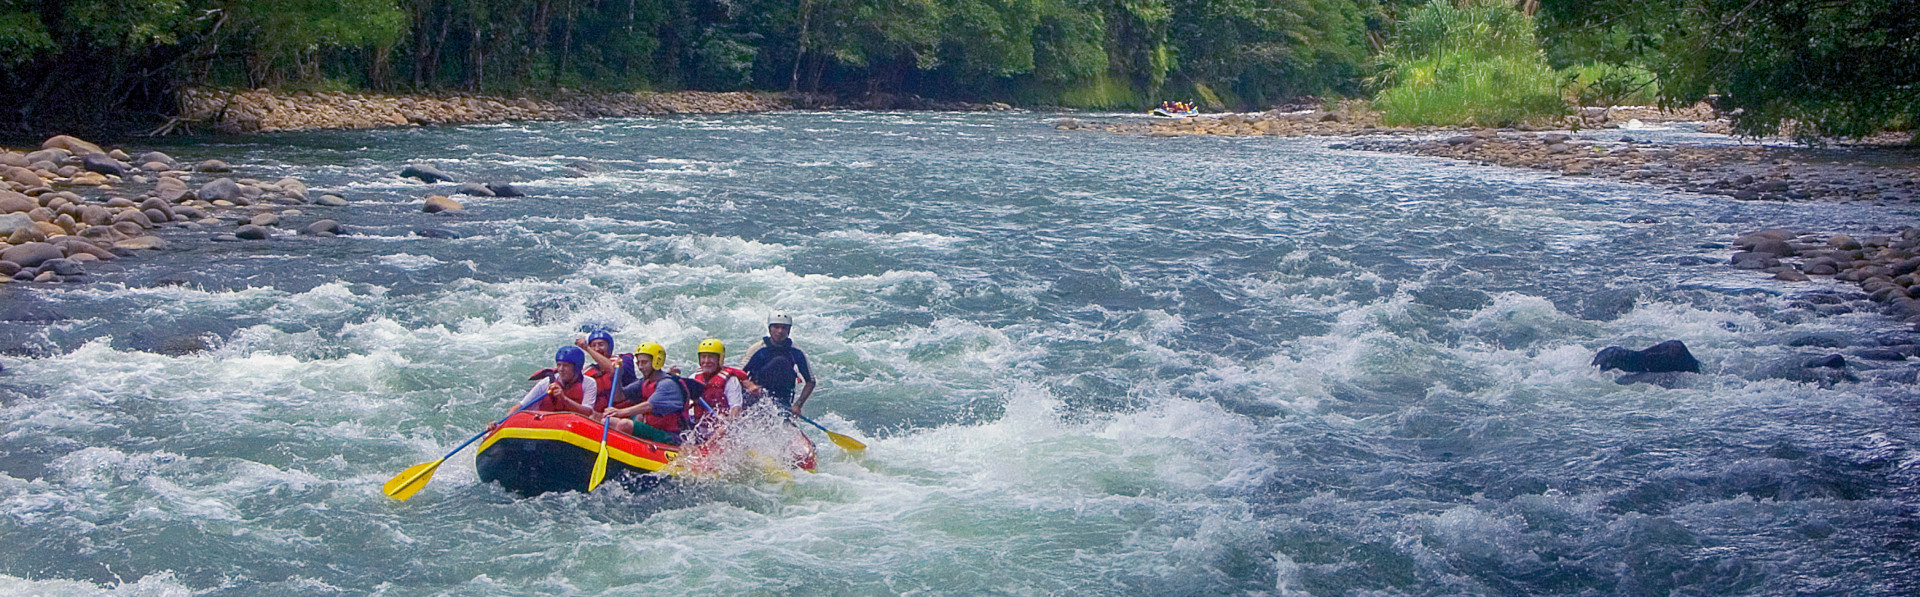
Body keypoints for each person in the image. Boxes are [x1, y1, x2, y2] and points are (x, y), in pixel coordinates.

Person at [596, 342, 688, 445]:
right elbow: (619, 397)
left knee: (624, 424)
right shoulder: (644, 382)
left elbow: (649, 405)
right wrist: (618, 374)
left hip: (672, 436)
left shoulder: (667, 384)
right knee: (606, 422)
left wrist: (620, 412)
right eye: (638, 363)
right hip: (653, 428)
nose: (640, 367)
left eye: (644, 362)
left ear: (657, 362)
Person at [740, 312, 816, 417]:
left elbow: (810, 381)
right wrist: (750, 385)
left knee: (781, 361)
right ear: (770, 328)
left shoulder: (796, 352)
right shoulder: (757, 348)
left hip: (782, 400)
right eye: (776, 327)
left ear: (789, 330)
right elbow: (737, 374)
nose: (780, 331)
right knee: (779, 361)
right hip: (756, 396)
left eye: (784, 328)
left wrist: (798, 405)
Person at [514, 345, 598, 417]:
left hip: (572, 426)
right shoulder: (547, 382)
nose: (561, 369)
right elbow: (521, 405)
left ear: (577, 368)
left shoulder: (588, 383)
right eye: (559, 365)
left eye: (566, 366)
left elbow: (588, 412)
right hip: (547, 425)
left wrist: (563, 398)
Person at [690, 338, 754, 426]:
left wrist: (728, 421)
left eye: (711, 357)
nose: (706, 361)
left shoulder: (731, 381)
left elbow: (736, 408)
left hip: (722, 427)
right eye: (703, 357)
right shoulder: (693, 378)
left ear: (719, 359)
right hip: (700, 425)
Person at [574, 328, 618, 412]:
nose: (597, 349)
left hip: (622, 413)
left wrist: (587, 348)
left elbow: (611, 369)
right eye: (593, 346)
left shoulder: (624, 360)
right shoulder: (587, 371)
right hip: (598, 416)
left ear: (609, 346)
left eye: (601, 344)